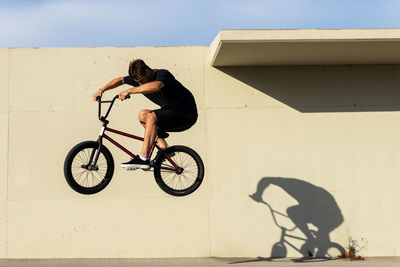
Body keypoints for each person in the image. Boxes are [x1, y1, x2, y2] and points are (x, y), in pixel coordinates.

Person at [92, 59, 198, 169]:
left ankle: (143, 158)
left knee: (151, 116)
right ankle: (164, 148)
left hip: (186, 113)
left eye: (141, 81)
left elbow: (156, 86)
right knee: (143, 114)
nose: (140, 84)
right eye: (138, 82)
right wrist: (102, 90)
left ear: (147, 72)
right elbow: (120, 80)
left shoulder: (163, 74)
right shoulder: (140, 79)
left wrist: (130, 91)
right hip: (171, 112)